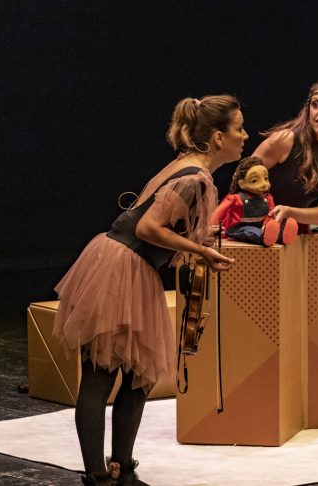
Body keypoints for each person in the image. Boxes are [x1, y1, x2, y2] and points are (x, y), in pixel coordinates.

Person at [52, 95, 241, 484]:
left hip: (125, 264)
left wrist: (199, 239)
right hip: (123, 268)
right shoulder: (195, 178)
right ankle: (98, 477)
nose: (245, 136)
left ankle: (122, 467)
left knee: (140, 375)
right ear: (219, 138)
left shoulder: (187, 165)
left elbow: (156, 220)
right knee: (102, 373)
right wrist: (200, 250)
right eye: (239, 128)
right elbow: (147, 227)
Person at [250, 79, 318, 232]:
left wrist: (289, 212)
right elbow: (240, 178)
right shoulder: (285, 140)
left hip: (293, 231)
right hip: (254, 225)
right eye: (315, 104)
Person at [211, 156, 298, 246]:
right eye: (254, 181)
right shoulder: (236, 199)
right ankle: (264, 237)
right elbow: (219, 213)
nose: (264, 184)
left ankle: (282, 236)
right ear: (242, 184)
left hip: (261, 226)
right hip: (239, 228)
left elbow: (270, 214)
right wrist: (211, 227)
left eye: (265, 178)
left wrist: (267, 224)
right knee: (251, 231)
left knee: (270, 229)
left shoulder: (267, 198)